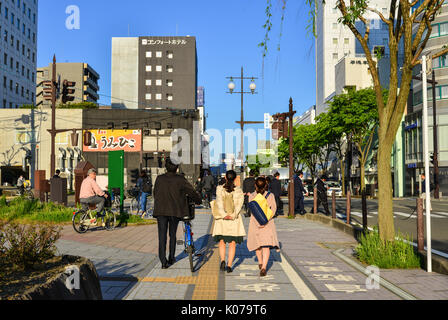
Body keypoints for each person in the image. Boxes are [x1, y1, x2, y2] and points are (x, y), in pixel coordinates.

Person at [153, 158, 202, 269]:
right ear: (177, 167)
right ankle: (171, 257)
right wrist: (198, 200)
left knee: (162, 236)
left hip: (161, 211)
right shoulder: (180, 179)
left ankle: (163, 261)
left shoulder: (159, 179)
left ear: (166, 167)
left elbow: (155, 192)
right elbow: (191, 192)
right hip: (175, 211)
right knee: (172, 234)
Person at [212, 170, 245, 273]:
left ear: (225, 178)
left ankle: (222, 260)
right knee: (232, 243)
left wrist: (224, 215)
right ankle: (230, 265)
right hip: (234, 220)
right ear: (235, 179)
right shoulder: (239, 190)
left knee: (222, 241)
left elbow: (219, 202)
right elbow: (239, 205)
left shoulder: (219, 189)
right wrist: (233, 215)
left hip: (222, 220)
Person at [247, 177, 280, 277]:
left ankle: (260, 262)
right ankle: (264, 267)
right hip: (268, 224)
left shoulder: (252, 196)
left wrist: (259, 221)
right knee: (266, 246)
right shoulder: (270, 195)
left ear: (255, 185)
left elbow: (252, 211)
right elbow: (273, 209)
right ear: (266, 185)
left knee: (258, 245)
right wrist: (266, 219)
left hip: (255, 223)